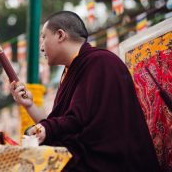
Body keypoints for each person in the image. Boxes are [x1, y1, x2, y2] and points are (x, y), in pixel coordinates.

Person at [10, 11, 160, 171]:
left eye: (44, 37)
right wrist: (29, 105)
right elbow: (62, 124)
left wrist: (45, 129)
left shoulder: (102, 62)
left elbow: (77, 121)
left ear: (60, 35)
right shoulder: (71, 70)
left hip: (114, 162)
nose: (41, 47)